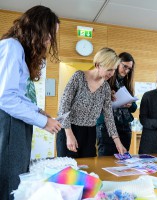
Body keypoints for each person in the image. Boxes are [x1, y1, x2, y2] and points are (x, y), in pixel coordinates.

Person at [0, 5, 62, 200]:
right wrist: (44, 122)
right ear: (38, 29)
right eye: (50, 35)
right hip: (10, 121)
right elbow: (6, 98)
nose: (50, 40)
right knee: (11, 179)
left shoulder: (19, 50)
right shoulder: (12, 46)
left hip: (17, 121)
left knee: (18, 173)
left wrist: (38, 111)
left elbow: (18, 95)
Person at [56, 47, 127, 158]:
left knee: (87, 169)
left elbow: (109, 117)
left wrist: (118, 143)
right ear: (98, 65)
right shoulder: (78, 77)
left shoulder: (106, 88)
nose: (112, 74)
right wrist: (69, 134)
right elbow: (63, 106)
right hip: (69, 129)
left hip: (89, 132)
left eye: (114, 70)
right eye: (109, 70)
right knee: (68, 171)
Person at [96, 52, 137, 156]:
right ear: (117, 63)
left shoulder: (126, 83)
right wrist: (108, 98)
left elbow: (134, 107)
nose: (126, 71)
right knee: (106, 158)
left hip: (124, 126)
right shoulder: (105, 79)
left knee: (122, 159)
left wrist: (130, 104)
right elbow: (95, 104)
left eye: (129, 69)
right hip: (106, 126)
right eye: (124, 66)